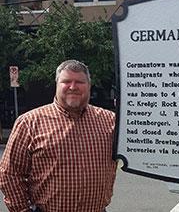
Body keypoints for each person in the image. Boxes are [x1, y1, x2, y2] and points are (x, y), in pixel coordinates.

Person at [0, 60, 117, 212]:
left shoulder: (110, 121)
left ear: (89, 85)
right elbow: (9, 173)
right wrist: (22, 210)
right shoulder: (29, 122)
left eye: (79, 82)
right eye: (66, 81)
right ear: (57, 84)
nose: (73, 87)